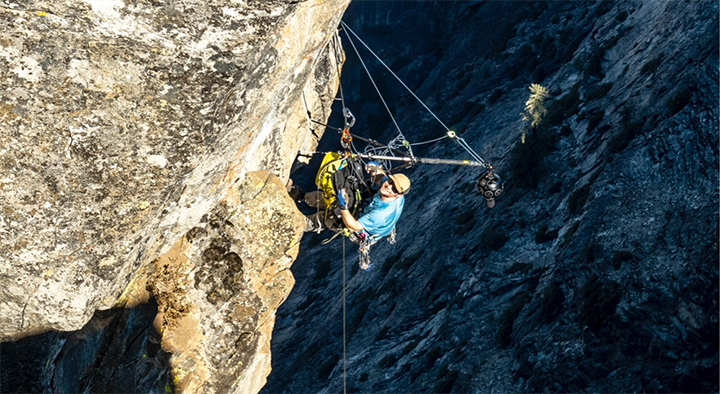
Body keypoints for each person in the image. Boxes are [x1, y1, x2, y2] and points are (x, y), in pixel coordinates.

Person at [303, 161, 410, 242]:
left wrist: (343, 206)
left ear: (398, 195)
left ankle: (303, 224)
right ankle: (302, 196)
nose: (389, 186)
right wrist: (375, 169)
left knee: (330, 217)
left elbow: (353, 226)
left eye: (394, 189)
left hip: (360, 230)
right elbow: (381, 178)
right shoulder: (396, 193)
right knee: (331, 196)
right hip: (369, 212)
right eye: (390, 181)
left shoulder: (380, 214)